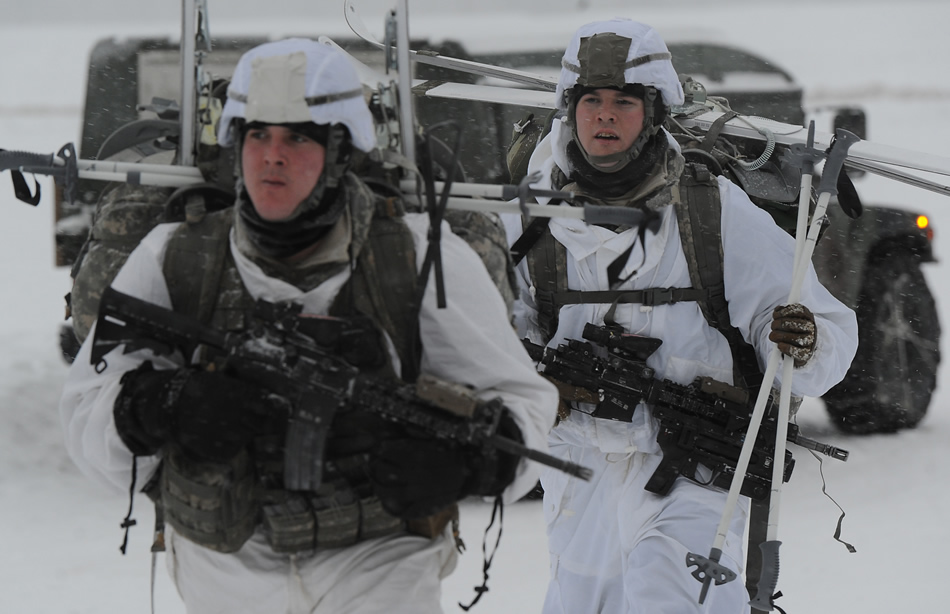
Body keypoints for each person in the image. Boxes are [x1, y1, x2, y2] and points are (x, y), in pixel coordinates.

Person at [59, 38, 558, 614]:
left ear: (340, 151)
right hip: (225, 567)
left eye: (298, 137)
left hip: (380, 564)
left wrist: (466, 463)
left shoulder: (420, 257)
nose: (272, 156)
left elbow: (522, 402)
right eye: (257, 135)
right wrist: (158, 405)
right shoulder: (175, 255)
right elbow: (88, 410)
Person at [501, 19, 859, 614]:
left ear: (655, 111)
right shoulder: (527, 220)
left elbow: (823, 331)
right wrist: (538, 390)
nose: (605, 115)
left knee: (675, 598)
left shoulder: (711, 212)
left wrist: (802, 342)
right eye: (591, 100)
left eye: (624, 101)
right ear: (570, 109)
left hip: (692, 465)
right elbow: (493, 340)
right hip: (577, 471)